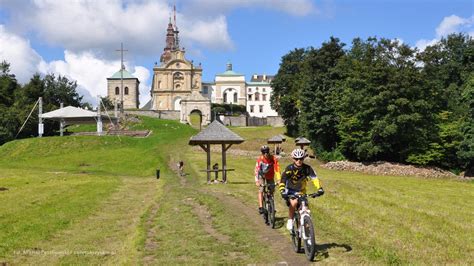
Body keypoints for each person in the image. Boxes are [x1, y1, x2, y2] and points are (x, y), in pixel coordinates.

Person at [278, 148, 324, 231]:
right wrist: (282, 190)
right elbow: (283, 180)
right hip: (290, 190)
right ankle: (290, 220)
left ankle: (305, 230)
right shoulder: (289, 168)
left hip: (301, 191)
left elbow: (314, 178)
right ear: (293, 159)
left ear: (303, 158)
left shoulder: (307, 168)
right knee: (294, 202)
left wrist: (319, 188)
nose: (299, 161)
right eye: (296, 159)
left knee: (305, 208)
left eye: (301, 159)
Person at [255, 145, 281, 214]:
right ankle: (261, 207)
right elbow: (257, 170)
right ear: (262, 153)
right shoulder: (260, 160)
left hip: (270, 176)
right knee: (261, 189)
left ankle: (271, 205)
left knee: (272, 189)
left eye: (267, 152)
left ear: (269, 151)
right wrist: (257, 181)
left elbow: (277, 169)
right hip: (261, 176)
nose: (266, 153)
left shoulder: (273, 158)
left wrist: (278, 179)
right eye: (264, 152)